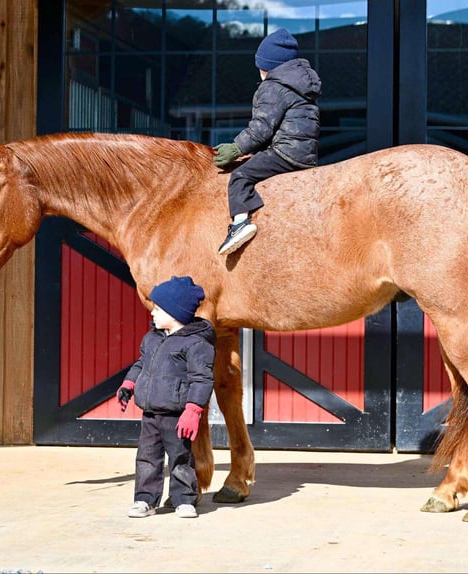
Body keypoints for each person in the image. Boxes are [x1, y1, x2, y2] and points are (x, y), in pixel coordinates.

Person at [213, 28, 322, 255]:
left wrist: (235, 148)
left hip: (285, 153)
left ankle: (240, 223)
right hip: (306, 155)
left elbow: (261, 129)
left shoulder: (272, 87)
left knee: (240, 176)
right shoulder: (301, 86)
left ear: (267, 66)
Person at [116, 276, 216, 519]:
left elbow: (202, 379)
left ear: (175, 313)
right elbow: (142, 364)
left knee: (181, 458)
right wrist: (129, 384)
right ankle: (144, 501)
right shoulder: (152, 339)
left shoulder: (195, 344)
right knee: (147, 459)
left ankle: (184, 500)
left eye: (158, 309)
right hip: (150, 414)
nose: (152, 313)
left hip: (176, 415)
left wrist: (193, 411)